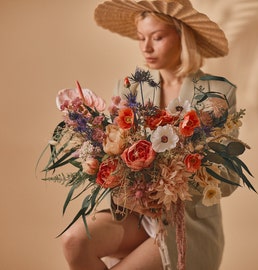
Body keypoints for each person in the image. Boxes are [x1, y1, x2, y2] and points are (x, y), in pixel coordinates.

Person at [61, 0, 240, 269]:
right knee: (73, 242)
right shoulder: (132, 88)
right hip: (134, 216)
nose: (146, 47)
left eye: (157, 37)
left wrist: (171, 184)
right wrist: (109, 170)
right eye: (141, 38)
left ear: (182, 36)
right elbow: (114, 153)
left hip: (187, 224)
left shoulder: (216, 93)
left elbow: (228, 178)